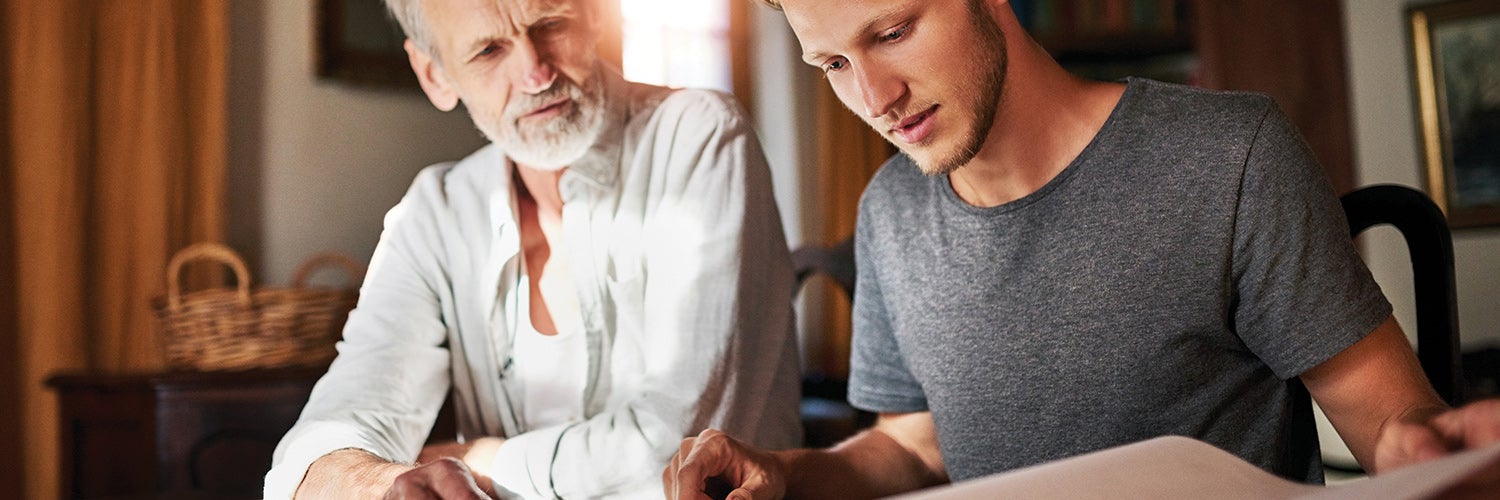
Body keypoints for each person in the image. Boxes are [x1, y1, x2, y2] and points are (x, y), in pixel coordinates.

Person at [663, 0, 1500, 498]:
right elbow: (917, 443)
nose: (874, 97)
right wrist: (781, 473)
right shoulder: (890, 213)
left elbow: (1391, 419)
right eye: (833, 63)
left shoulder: (1229, 158)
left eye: (893, 31)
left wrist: (1425, 448)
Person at [263, 0, 805, 497]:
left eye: (550, 24)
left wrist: (477, 460)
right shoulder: (436, 211)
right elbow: (326, 436)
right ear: (435, 74)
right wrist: (378, 483)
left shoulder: (698, 135)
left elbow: (675, 450)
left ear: (594, 15)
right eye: (489, 50)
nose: (535, 73)